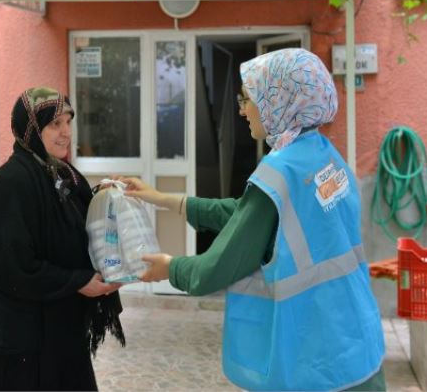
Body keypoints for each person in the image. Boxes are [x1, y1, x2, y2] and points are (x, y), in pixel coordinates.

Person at [121, 49, 386, 391]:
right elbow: (249, 214)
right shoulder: (321, 154)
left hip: (315, 362)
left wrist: (168, 268)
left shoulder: (280, 172)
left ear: (279, 100)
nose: (242, 109)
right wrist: (162, 199)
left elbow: (212, 269)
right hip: (358, 342)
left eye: (248, 98)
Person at [0, 87, 125, 391]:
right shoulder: (12, 184)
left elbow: (70, 228)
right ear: (31, 129)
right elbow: (13, 270)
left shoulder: (61, 174)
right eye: (55, 124)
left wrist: (99, 199)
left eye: (68, 122)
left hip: (59, 333)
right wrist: (79, 281)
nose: (66, 132)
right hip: (21, 343)